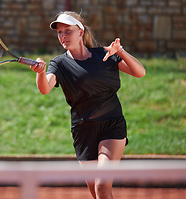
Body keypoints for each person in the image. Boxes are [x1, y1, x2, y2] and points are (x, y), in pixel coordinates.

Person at [30, 11, 146, 199]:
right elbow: (45, 88)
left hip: (111, 125)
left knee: (101, 185)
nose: (63, 36)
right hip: (83, 131)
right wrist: (40, 73)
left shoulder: (104, 55)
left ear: (80, 32)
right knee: (97, 193)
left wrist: (120, 52)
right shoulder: (59, 64)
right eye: (59, 32)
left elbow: (140, 72)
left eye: (68, 31)